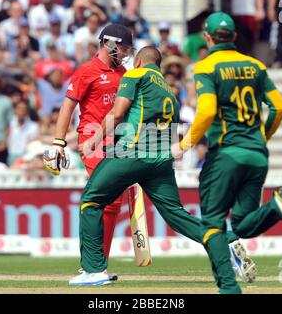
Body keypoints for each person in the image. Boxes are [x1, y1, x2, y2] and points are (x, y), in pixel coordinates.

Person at [172, 12, 282, 294]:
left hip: (226, 154)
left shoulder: (206, 67)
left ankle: (229, 289)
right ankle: (275, 207)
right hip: (257, 154)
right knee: (244, 225)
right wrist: (261, 137)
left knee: (212, 225)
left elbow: (207, 110)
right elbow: (279, 106)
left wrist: (184, 145)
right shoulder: (255, 65)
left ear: (207, 38)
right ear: (234, 37)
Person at [69, 46, 210, 286]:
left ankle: (94, 270)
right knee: (176, 215)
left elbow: (117, 112)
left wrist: (93, 141)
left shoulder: (135, 74)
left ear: (138, 62)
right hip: (161, 160)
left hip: (131, 152)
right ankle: (224, 241)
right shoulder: (171, 94)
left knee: (91, 201)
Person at [42, 24, 134, 281]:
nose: (126, 53)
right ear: (110, 44)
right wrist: (58, 142)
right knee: (100, 198)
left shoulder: (124, 72)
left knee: (112, 203)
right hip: (92, 141)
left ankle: (98, 266)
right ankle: (92, 267)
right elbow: (67, 107)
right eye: (123, 47)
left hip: (117, 142)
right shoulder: (86, 71)